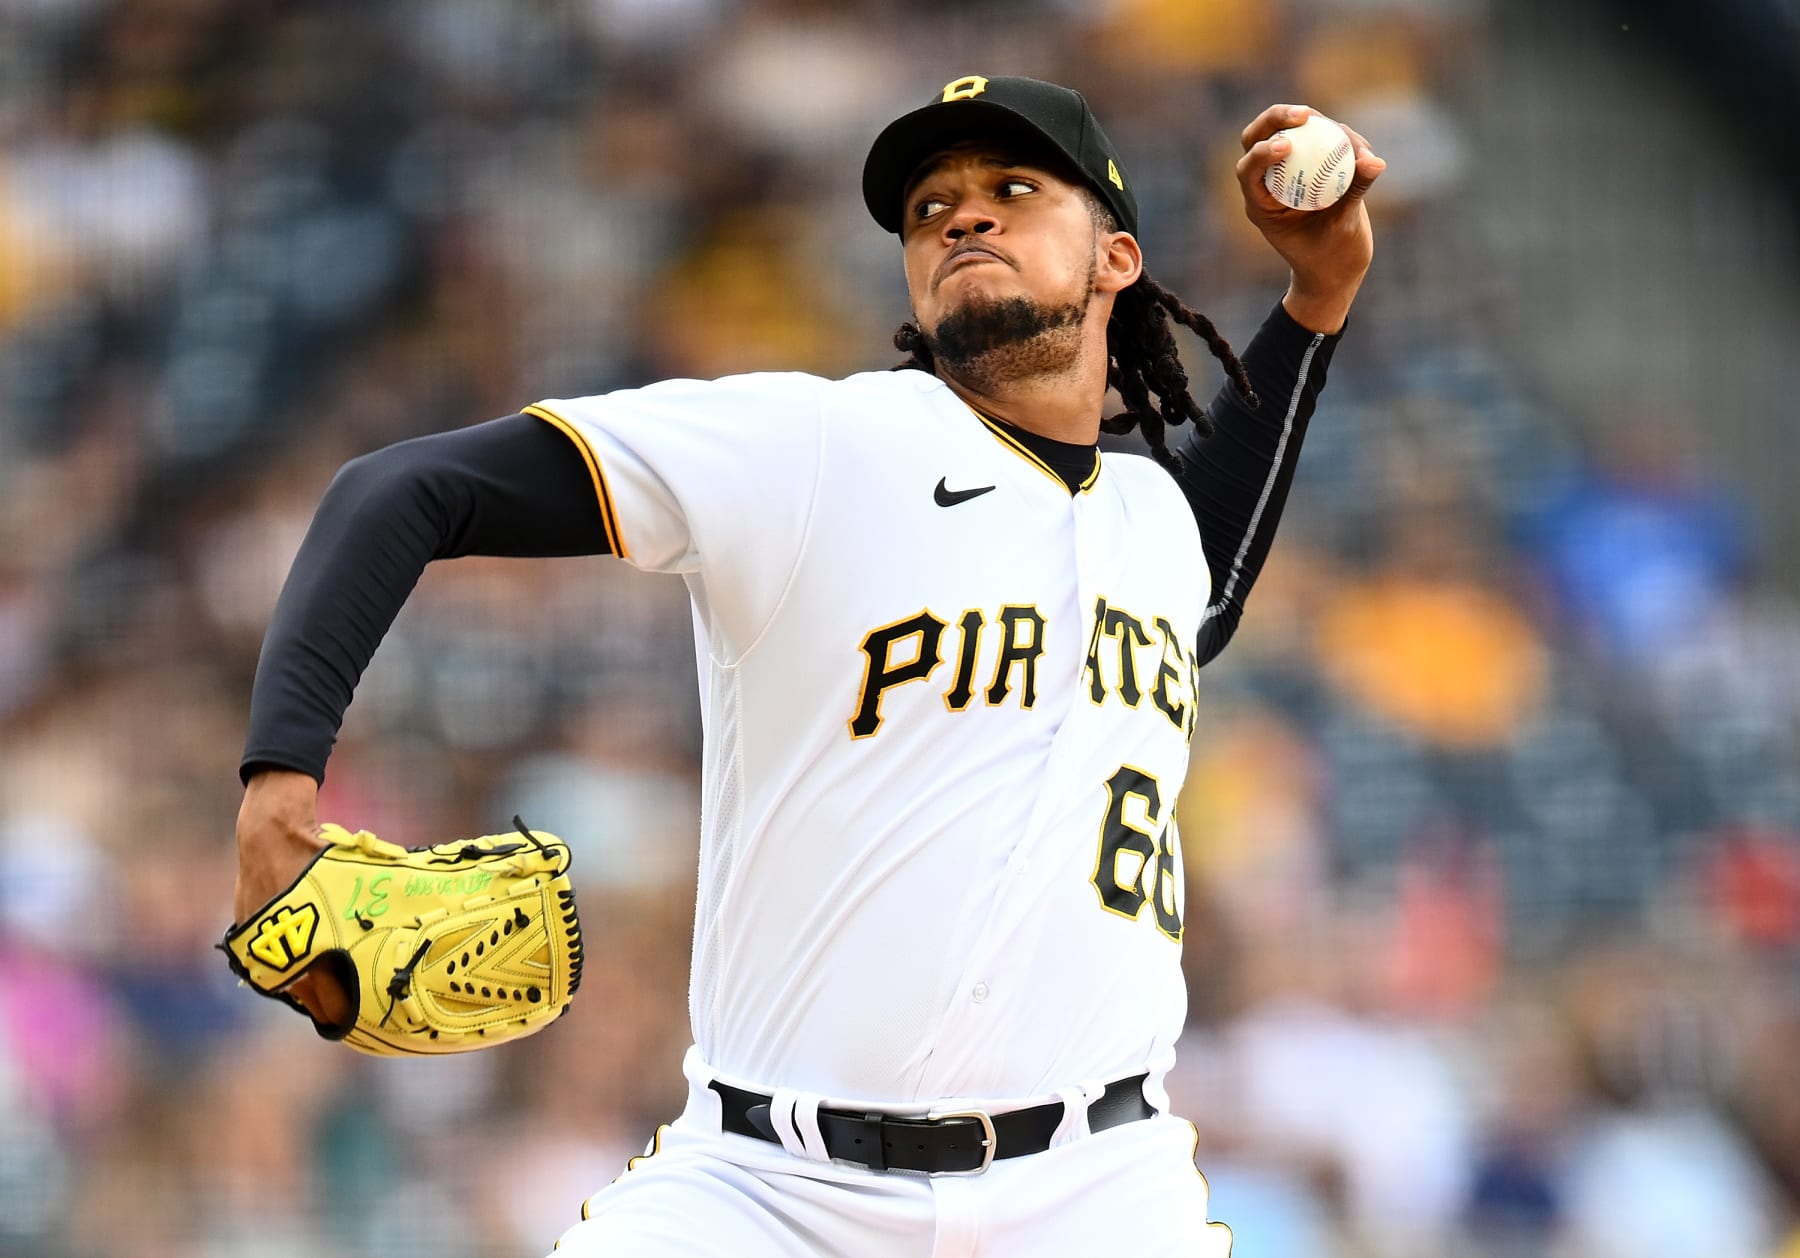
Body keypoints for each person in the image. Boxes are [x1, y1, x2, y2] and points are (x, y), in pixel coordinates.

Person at [232, 75, 1382, 1256]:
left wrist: (1319, 294)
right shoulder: (816, 448)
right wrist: (279, 785)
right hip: (769, 1193)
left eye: (1014, 190)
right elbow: (397, 491)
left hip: (1100, 1192)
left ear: (1117, 257)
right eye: (930, 207)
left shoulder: (1153, 529)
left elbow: (1217, 564)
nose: (963, 217)